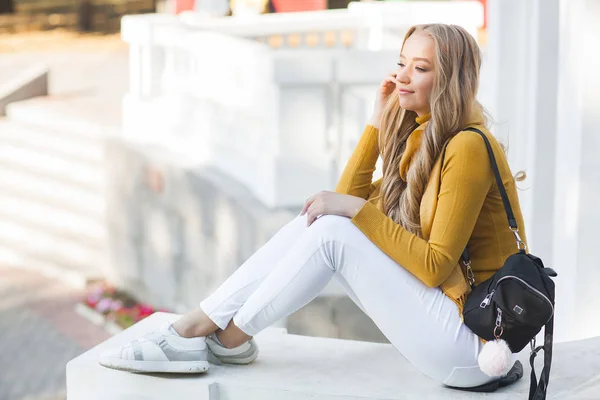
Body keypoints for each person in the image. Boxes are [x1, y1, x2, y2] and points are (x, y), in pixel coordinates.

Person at [99, 23, 527, 389]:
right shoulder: (425, 141)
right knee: (324, 225)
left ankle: (221, 338)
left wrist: (356, 211)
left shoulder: (467, 147)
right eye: (401, 63)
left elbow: (432, 265)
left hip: (479, 345)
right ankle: (202, 327)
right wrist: (376, 127)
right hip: (450, 326)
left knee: (332, 231)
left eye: (421, 68)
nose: (403, 77)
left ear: (450, 79)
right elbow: (335, 206)